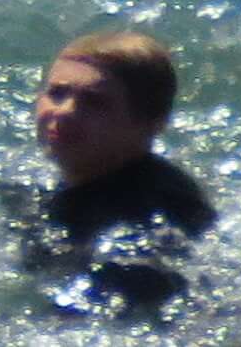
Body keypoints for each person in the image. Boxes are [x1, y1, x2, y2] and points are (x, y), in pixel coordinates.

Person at [23, 29, 217, 320]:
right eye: (57, 93)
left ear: (151, 123)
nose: (64, 112)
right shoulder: (81, 181)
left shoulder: (142, 233)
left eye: (94, 102)